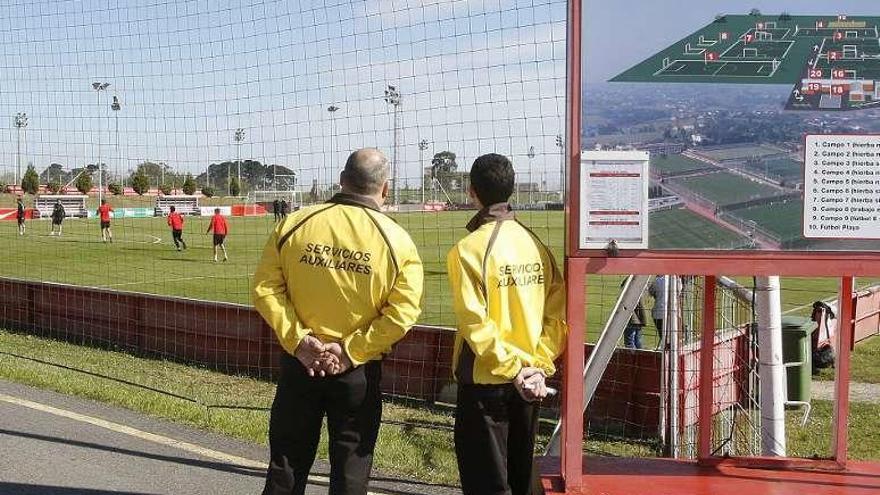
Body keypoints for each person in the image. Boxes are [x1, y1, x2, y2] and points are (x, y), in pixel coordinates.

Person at [252, 148, 423, 495]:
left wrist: (300, 342)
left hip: (301, 365)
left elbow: (264, 288)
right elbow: (403, 312)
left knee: (286, 463)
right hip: (357, 374)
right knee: (350, 473)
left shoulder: (294, 223)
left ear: (342, 180)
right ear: (385, 189)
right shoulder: (397, 240)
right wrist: (350, 352)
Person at [446, 153, 567, 495]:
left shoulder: (467, 250)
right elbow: (557, 317)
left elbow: (475, 324)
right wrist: (537, 367)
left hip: (489, 384)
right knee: (523, 478)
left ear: (471, 192)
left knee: (486, 483)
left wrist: (514, 369)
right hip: (530, 382)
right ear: (512, 189)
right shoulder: (537, 245)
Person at [649, 275, 668, 349]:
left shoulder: (657, 281)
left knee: (663, 335)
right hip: (672, 313)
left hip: (659, 312)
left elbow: (651, 292)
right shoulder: (675, 280)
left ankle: (663, 350)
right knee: (668, 336)